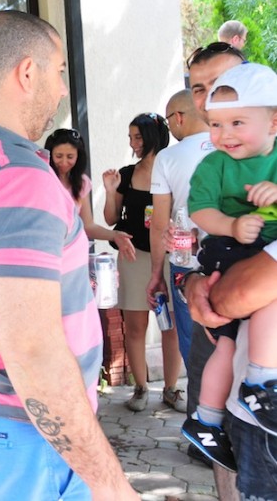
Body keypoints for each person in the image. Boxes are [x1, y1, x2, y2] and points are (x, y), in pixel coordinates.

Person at [0, 10, 136, 499]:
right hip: (19, 434)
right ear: (27, 72)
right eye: (59, 72)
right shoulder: (14, 177)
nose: (62, 90)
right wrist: (111, 484)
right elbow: (32, 348)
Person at [181, 62, 277, 470]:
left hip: (261, 251)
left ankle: (207, 419)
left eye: (237, 123)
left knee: (230, 341)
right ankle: (258, 384)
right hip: (230, 248)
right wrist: (232, 226)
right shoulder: (214, 165)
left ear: (274, 122)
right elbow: (200, 210)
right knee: (263, 306)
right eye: (216, 125)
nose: (225, 135)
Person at [103, 113, 185, 413]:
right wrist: (110, 190)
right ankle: (140, 387)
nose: (133, 143)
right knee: (135, 326)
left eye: (137, 137)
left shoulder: (173, 169)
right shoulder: (126, 174)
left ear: (153, 137)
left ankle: (171, 388)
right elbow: (110, 218)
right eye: (130, 137)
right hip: (134, 257)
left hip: (169, 256)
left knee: (170, 326)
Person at [184, 243, 277, 499]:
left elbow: (240, 293)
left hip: (254, 411)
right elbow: (241, 292)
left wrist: (198, 287)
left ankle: (207, 420)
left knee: (225, 346)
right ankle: (252, 390)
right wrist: (193, 283)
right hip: (257, 415)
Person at [147, 89, 215, 368]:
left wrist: (156, 273)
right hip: (235, 255)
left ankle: (200, 396)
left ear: (178, 117)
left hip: (186, 261)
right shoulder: (231, 144)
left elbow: (159, 223)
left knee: (193, 339)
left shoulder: (167, 157)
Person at [44, 128, 136, 258]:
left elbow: (88, 226)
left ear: (78, 156)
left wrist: (114, 235)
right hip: (46, 251)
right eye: (58, 156)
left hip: (72, 254)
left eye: (70, 157)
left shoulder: (82, 183)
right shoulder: (42, 178)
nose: (64, 162)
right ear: (50, 154)